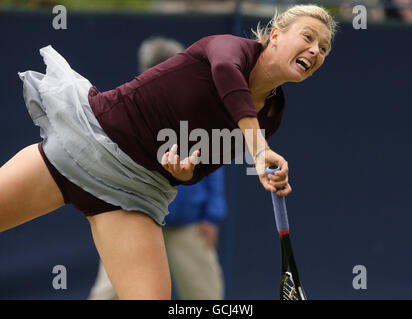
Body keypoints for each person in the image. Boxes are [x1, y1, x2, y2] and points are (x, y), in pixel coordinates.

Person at [1, 4, 337, 299]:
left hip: (134, 195)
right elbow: (227, 77)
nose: (316, 50)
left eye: (323, 48)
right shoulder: (227, 48)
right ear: (275, 35)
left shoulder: (270, 117)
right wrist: (260, 149)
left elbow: (203, 165)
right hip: (87, 145)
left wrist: (185, 172)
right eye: (308, 37)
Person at [88, 37, 227, 300]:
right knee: (107, 293)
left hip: (187, 224)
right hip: (133, 217)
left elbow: (214, 166)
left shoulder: (198, 109)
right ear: (149, 72)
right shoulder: (126, 106)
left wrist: (212, 215)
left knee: (205, 296)